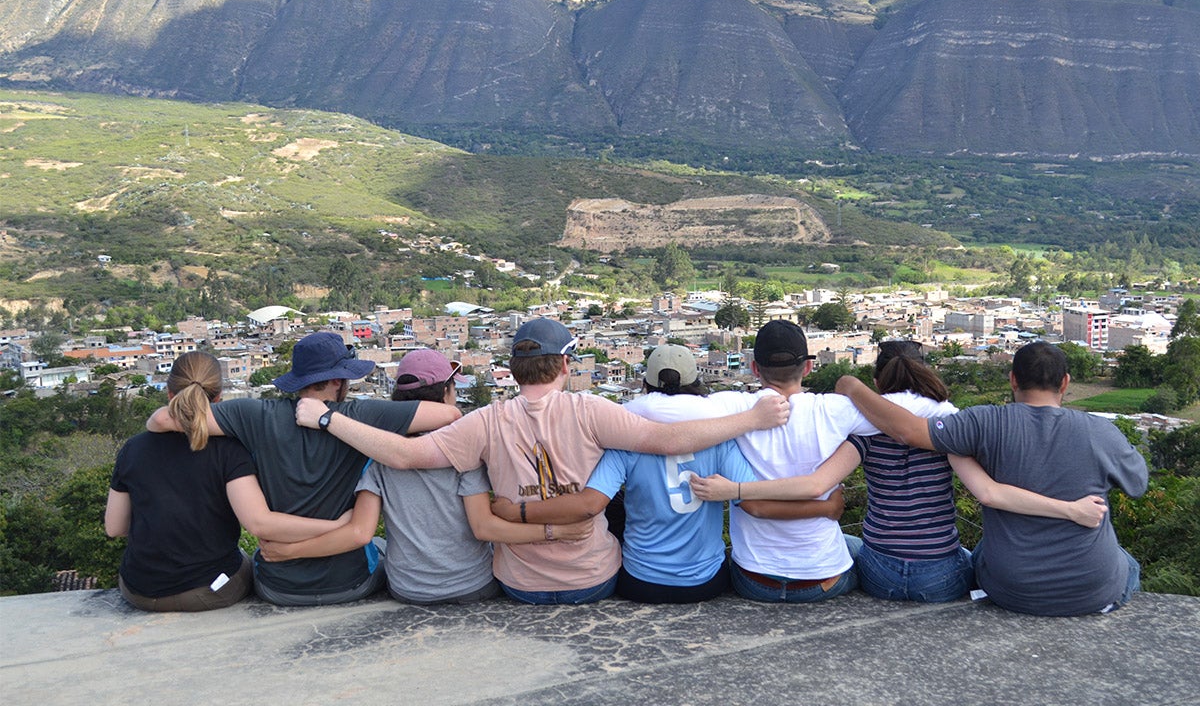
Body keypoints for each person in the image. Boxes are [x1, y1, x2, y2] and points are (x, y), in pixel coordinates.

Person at [292, 318, 791, 605]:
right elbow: (665, 439)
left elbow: (403, 454)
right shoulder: (593, 411)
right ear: (566, 364)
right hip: (593, 579)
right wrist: (749, 419)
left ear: (512, 369)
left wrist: (326, 417)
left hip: (521, 583)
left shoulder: (485, 421)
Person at [692, 340, 1108, 603]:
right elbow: (989, 492)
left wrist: (852, 388)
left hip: (879, 573)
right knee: (974, 554)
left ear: (878, 379)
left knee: (851, 542)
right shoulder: (951, 425)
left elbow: (819, 484)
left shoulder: (864, 426)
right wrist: (1070, 509)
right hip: (941, 577)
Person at [490, 344, 843, 603]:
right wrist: (824, 507)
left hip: (641, 579)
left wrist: (518, 511)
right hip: (706, 581)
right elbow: (754, 499)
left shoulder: (627, 437)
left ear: (646, 384)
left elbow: (591, 503)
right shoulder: (718, 435)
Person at [145, 331, 460, 606]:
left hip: (277, 586)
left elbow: (161, 420)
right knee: (380, 545)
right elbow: (447, 415)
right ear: (338, 380)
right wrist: (333, 421)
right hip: (349, 584)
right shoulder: (361, 414)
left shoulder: (255, 414)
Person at [835, 341, 1148, 616]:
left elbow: (913, 433)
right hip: (1093, 588)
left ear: (1012, 379)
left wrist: (850, 386)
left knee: (984, 549)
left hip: (1010, 587)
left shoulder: (984, 422)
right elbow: (1138, 484)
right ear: (1065, 383)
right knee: (1127, 562)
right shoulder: (1102, 431)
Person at [258, 349, 592, 604]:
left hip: (409, 590)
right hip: (473, 585)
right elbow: (484, 528)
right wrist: (556, 530)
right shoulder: (465, 454)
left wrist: (289, 552)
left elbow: (360, 532)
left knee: (379, 544)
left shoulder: (379, 455)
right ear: (447, 393)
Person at [106, 351, 349, 612]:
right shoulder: (228, 449)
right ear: (219, 398)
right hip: (206, 590)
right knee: (252, 560)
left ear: (168, 393)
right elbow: (260, 523)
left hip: (137, 589)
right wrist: (334, 526)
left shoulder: (133, 448)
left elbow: (114, 527)